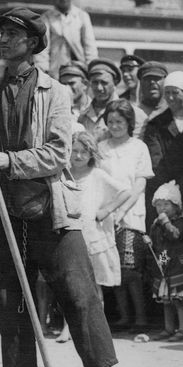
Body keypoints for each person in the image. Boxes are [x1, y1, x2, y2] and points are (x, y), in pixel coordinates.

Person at [0, 7, 126, 367]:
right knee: (13, 301)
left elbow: (59, 153)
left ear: (34, 43)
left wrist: (7, 161)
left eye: (13, 34)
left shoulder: (55, 92)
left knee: (79, 296)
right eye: (2, 33)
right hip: (7, 212)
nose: (4, 40)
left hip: (52, 210)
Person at [59, 131, 129, 343]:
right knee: (70, 283)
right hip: (70, 233)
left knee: (93, 285)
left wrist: (106, 210)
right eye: (75, 151)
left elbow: (125, 191)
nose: (78, 156)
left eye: (84, 152)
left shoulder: (96, 175)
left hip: (93, 235)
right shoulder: (63, 174)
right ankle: (67, 328)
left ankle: (97, 330)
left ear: (91, 154)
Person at [97, 99, 154, 332]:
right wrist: (109, 210)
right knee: (113, 267)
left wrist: (121, 211)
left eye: (119, 121)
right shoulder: (101, 148)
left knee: (131, 270)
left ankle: (140, 318)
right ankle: (123, 317)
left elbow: (139, 184)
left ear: (129, 122)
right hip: (106, 214)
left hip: (131, 214)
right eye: (110, 121)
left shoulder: (139, 147)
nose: (115, 126)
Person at [143, 71, 183, 230]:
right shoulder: (156, 124)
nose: (170, 97)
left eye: (175, 93)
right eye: (166, 93)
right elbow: (156, 159)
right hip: (169, 186)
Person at [148, 181, 183, 342]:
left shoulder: (181, 222)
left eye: (166, 205)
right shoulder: (157, 224)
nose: (162, 209)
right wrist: (149, 238)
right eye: (158, 205)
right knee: (167, 300)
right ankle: (168, 328)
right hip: (165, 262)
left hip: (179, 264)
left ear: (176, 206)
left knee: (179, 299)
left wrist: (165, 222)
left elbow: (174, 235)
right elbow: (159, 244)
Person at [37, 0, 97, 79]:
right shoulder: (47, 17)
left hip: (78, 69)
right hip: (55, 71)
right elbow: (43, 48)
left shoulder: (82, 16)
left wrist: (92, 68)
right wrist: (42, 70)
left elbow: (89, 46)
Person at [78, 58, 146, 141]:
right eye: (95, 82)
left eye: (104, 83)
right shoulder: (82, 116)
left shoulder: (135, 114)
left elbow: (133, 148)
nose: (99, 88)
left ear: (115, 82)